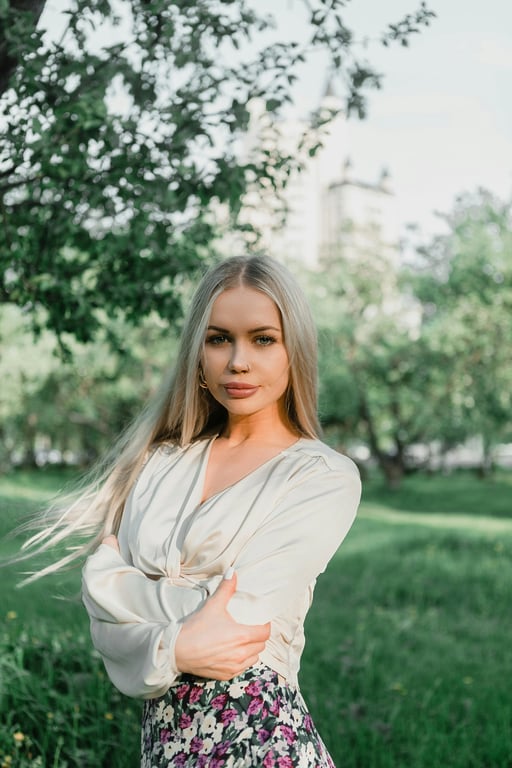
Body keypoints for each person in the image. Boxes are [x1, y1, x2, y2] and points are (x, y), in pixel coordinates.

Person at [29, 255, 361, 767]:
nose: (238, 362)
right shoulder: (161, 463)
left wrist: (110, 584)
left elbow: (238, 619)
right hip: (164, 748)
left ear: (295, 350)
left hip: (264, 740)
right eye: (219, 338)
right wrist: (179, 648)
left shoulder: (321, 475)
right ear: (197, 353)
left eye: (263, 339)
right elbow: (106, 632)